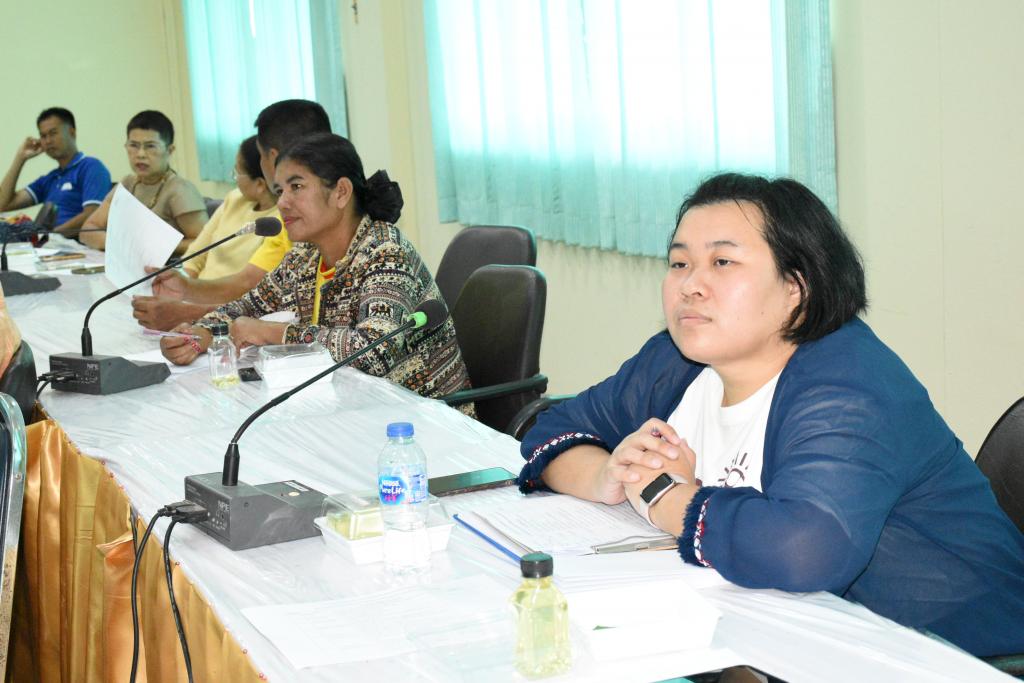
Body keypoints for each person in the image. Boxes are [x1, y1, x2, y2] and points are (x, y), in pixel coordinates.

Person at [518, 173, 1024, 657]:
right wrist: (608, 476)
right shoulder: (677, 359)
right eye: (679, 263)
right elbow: (554, 430)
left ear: (795, 288)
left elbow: (804, 550)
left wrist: (661, 495)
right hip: (785, 632)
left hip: (949, 651)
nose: (690, 285)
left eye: (722, 262)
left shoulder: (852, 384)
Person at [160, 133, 473, 408]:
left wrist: (275, 333)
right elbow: (246, 307)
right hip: (346, 408)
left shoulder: (386, 251)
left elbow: (375, 351)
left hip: (420, 418)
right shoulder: (305, 256)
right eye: (279, 190)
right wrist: (203, 333)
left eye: (296, 187)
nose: (283, 203)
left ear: (341, 192)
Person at [146, 99, 330, 308]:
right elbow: (251, 286)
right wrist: (185, 289)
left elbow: (259, 297)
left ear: (273, 158)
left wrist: (188, 309)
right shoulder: (287, 213)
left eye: (261, 156)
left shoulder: (302, 219)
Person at [130, 136, 280, 331]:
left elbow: (248, 286)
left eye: (237, 173)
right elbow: (196, 255)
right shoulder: (234, 199)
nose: (234, 178)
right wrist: (176, 291)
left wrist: (187, 303)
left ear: (260, 184)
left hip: (227, 312)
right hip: (190, 299)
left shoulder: (278, 222)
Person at [80, 111, 207, 255]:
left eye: (150, 146)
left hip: (166, 266)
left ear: (170, 150)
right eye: (133, 145)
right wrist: (120, 243)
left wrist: (156, 246)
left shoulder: (180, 190)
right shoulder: (128, 184)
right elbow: (88, 230)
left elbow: (207, 244)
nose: (140, 154)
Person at [0, 107, 111, 235]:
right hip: (48, 243)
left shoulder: (92, 167)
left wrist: (51, 236)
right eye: (43, 136)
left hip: (73, 244)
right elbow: (3, 204)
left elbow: (93, 215)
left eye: (53, 133)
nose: (48, 141)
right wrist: (20, 158)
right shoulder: (49, 179)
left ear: (72, 132)